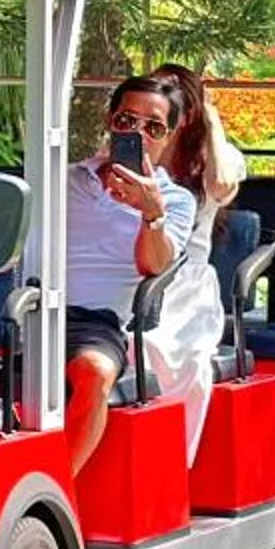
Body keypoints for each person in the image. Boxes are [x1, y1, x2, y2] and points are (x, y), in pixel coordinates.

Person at [60, 76, 200, 474]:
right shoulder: (66, 178)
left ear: (168, 137)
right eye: (127, 121)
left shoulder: (174, 200)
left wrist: (151, 213)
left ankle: (59, 487)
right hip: (31, 309)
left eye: (153, 127)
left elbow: (154, 265)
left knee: (95, 373)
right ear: (110, 121)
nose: (138, 134)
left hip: (94, 322)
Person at [150, 62, 247, 241]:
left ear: (187, 115)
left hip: (185, 258)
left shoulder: (221, 156)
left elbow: (220, 186)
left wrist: (212, 121)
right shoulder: (139, 152)